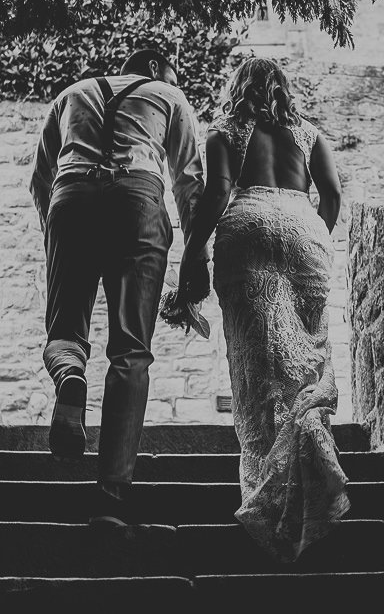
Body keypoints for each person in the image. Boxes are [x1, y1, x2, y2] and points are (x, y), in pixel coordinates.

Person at [169, 57, 349, 561]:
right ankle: (312, 457)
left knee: (259, 369)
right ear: (283, 89)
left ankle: (269, 503)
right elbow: (331, 195)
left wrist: (192, 250)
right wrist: (310, 236)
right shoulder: (310, 134)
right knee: (306, 360)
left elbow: (219, 191)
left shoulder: (223, 130)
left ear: (237, 87)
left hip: (246, 228)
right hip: (303, 228)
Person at [29, 48, 208, 525]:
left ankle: (70, 375)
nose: (176, 80)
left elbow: (38, 181)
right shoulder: (168, 94)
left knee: (64, 329)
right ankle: (110, 494)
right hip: (137, 199)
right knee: (131, 349)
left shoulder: (71, 94)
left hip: (71, 196)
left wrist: (58, 232)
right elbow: (191, 182)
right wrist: (196, 256)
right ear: (153, 70)